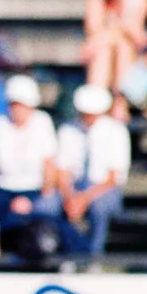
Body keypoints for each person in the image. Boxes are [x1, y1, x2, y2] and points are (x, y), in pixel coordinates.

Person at [0, 74, 60, 259]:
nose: (17, 109)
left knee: (45, 209)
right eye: (14, 104)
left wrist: (40, 196)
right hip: (3, 188)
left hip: (33, 189)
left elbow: (50, 165)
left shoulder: (42, 123)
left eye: (21, 104)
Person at [56, 84, 130, 257]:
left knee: (99, 208)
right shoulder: (68, 130)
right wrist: (70, 197)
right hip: (75, 186)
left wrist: (83, 199)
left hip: (103, 189)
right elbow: (62, 171)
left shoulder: (116, 131)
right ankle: (70, 255)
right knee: (50, 206)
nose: (88, 117)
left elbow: (112, 178)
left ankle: (94, 257)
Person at [82, 0, 147, 116]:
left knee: (122, 46)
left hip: (136, 64)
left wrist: (112, 24)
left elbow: (136, 37)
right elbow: (93, 30)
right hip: (103, 53)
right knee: (105, 51)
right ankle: (101, 103)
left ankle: (115, 101)